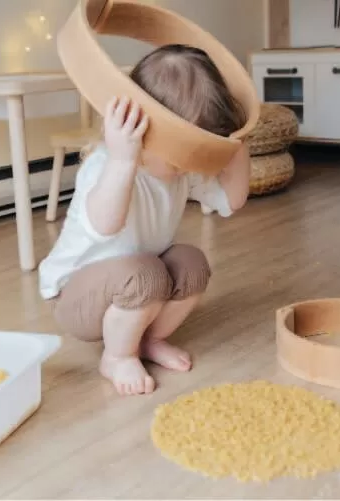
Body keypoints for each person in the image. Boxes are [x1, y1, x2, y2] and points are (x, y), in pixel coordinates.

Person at [38, 44, 251, 395]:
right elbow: (105, 224)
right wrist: (122, 161)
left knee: (191, 263)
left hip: (135, 282)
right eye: (186, 146)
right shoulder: (107, 164)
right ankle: (117, 356)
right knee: (145, 274)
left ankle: (147, 340)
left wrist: (236, 147)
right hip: (75, 298)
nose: (191, 161)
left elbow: (232, 200)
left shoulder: (178, 169)